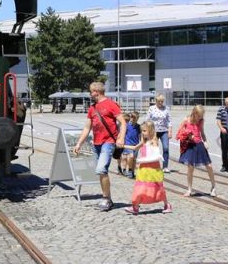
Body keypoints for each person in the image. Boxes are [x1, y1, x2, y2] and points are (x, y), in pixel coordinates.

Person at [73, 82, 127, 212]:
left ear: (96, 91)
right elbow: (87, 128)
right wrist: (79, 143)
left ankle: (106, 199)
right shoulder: (92, 108)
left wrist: (121, 137)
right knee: (102, 172)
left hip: (108, 142)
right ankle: (108, 198)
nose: (90, 94)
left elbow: (123, 122)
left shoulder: (111, 104)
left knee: (101, 169)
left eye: (91, 91)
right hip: (96, 143)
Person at [124, 120, 172, 214]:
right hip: (143, 169)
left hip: (153, 169)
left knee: (158, 188)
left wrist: (141, 160)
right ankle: (135, 206)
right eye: (142, 131)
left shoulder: (153, 141)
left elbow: (156, 155)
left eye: (144, 131)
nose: (142, 133)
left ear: (150, 130)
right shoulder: (143, 142)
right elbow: (134, 148)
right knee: (139, 188)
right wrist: (122, 146)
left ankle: (167, 205)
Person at [177, 105, 217, 197]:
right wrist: (187, 135)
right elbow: (179, 132)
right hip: (190, 146)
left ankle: (213, 187)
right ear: (194, 113)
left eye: (201, 116)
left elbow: (202, 133)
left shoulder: (201, 121)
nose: (200, 118)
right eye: (199, 116)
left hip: (199, 144)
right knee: (190, 168)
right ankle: (189, 189)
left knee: (209, 166)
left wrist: (205, 142)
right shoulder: (186, 120)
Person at [147, 94, 172, 173]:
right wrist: (148, 131)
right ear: (156, 101)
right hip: (154, 131)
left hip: (164, 131)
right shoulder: (151, 108)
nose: (160, 103)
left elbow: (169, 121)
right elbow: (148, 120)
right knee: (154, 148)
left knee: (165, 148)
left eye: (162, 101)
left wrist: (170, 131)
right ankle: (153, 165)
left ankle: (165, 167)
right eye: (159, 101)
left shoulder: (166, 109)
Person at [216, 97, 228, 172]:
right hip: (224, 130)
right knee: (224, 149)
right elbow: (218, 120)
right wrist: (221, 128)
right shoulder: (221, 109)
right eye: (227, 104)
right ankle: (225, 166)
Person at [121, 111, 140, 178]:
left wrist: (141, 144)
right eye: (132, 117)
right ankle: (127, 170)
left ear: (137, 118)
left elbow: (140, 136)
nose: (133, 119)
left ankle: (132, 171)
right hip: (128, 144)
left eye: (135, 118)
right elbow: (122, 134)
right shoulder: (127, 125)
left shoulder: (138, 126)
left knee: (134, 159)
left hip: (136, 145)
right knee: (129, 157)